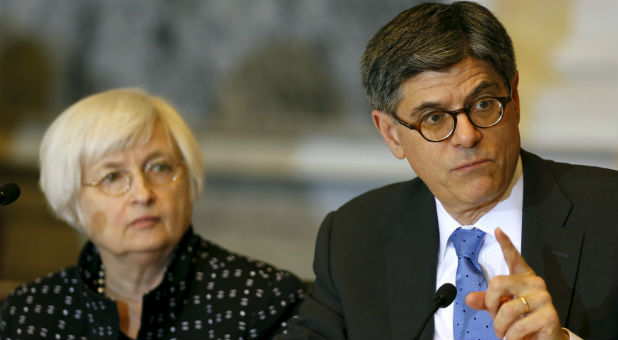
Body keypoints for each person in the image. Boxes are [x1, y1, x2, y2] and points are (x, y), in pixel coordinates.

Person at [280, 2, 618, 340]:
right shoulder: (356, 236)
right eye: (434, 118)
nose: (467, 136)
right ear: (391, 134)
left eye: (484, 104)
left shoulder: (608, 214)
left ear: (514, 98)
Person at [0, 88, 305, 340]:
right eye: (112, 177)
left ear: (190, 181)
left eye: (159, 167)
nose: (143, 194)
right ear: (73, 204)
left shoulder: (263, 300)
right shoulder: (31, 314)